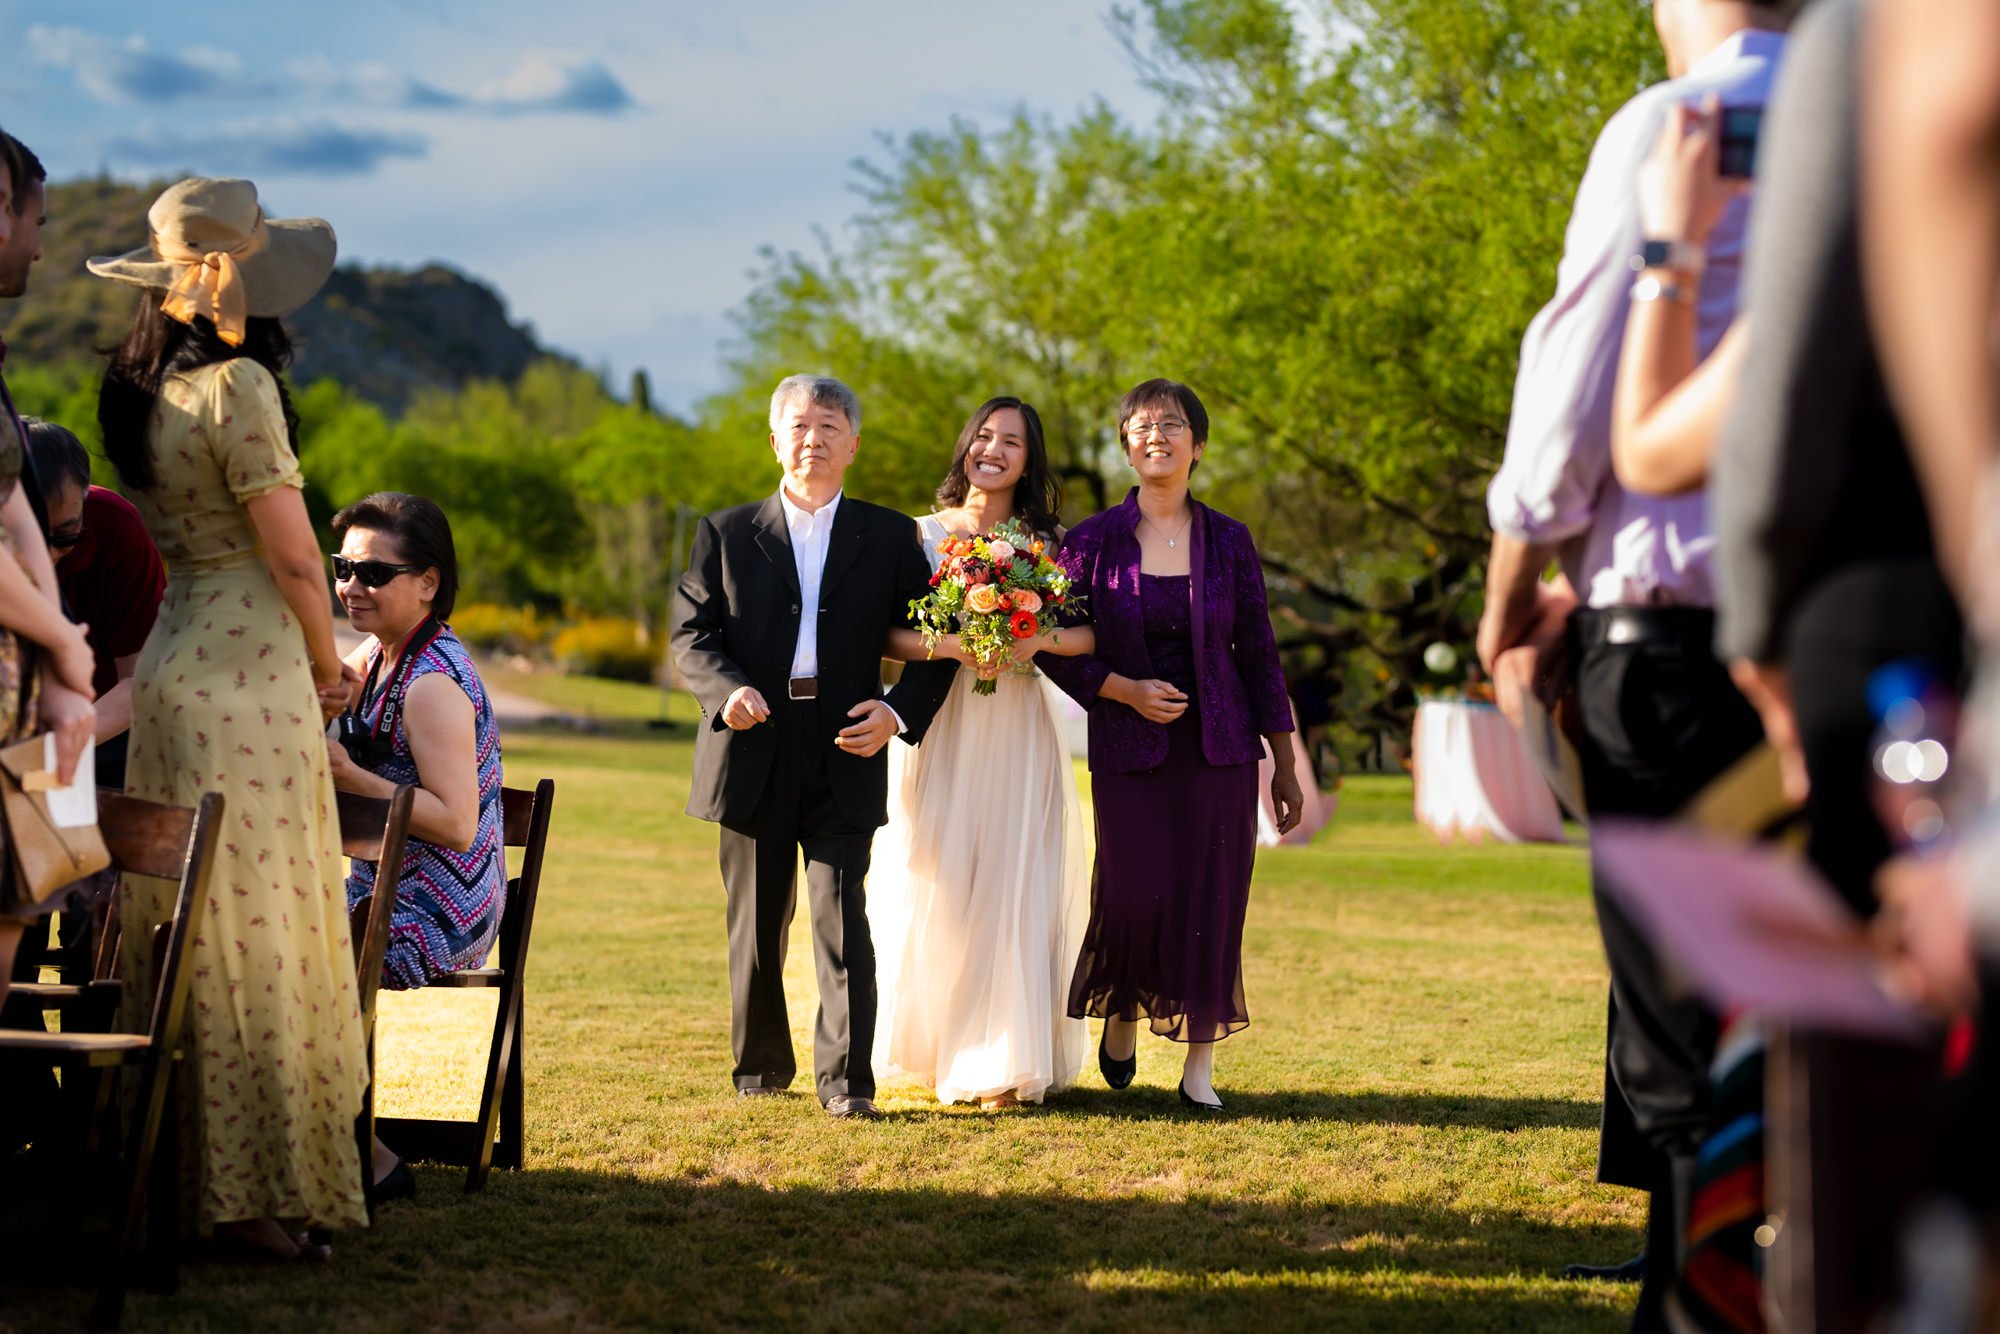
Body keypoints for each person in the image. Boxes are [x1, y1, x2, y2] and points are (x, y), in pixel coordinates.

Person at [1475, 4, 1796, 1323]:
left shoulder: (1673, 127)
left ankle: (1692, 1295)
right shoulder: (1894, 125)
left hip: (1666, 642)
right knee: (1796, 995)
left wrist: (1510, 606)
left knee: (1673, 1024)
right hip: (1837, 637)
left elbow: (1566, 412)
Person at [89, 177, 368, 1260]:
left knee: (182, 931)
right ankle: (250, 1197)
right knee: (258, 936)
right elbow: (299, 556)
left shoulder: (139, 390)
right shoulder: (238, 384)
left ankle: (171, 1170)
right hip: (249, 680)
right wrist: (325, 664)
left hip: (171, 662)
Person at [669, 374, 957, 1120]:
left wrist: (895, 715)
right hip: (752, 741)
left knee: (841, 915)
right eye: (799, 426)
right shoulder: (725, 533)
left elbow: (940, 646)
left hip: (848, 745)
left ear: (852, 445)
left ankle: (847, 1082)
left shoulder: (891, 535)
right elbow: (691, 637)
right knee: (758, 924)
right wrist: (725, 691)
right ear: (775, 440)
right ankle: (762, 1070)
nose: (814, 439)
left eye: (830, 426)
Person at [1031, 378, 1302, 1113]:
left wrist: (1283, 760)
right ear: (1124, 444)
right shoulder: (1090, 542)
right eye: (1142, 425)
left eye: (1173, 424)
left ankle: (1199, 1066)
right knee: (1134, 889)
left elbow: (1260, 653)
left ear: (1199, 446)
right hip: (1127, 745)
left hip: (1221, 747)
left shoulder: (1232, 541)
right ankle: (1121, 1011)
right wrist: (1123, 689)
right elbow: (1047, 645)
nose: (1157, 435)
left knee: (1212, 897)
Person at [870, 396, 1089, 1109]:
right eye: (984, 436)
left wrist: (1032, 640)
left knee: (1012, 878)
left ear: (1030, 461)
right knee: (941, 876)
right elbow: (890, 637)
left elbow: (1086, 635)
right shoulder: (919, 534)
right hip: (943, 720)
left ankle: (1002, 1057)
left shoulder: (1048, 542)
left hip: (1020, 722)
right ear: (966, 445)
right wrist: (960, 644)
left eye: (1012, 442)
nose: (993, 450)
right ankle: (939, 1047)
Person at [325, 491, 505, 1202]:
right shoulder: (372, 656)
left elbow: (458, 822)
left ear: (427, 583)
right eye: (343, 567)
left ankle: (363, 1154)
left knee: (301, 960)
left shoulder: (431, 681)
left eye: (373, 573)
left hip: (441, 908)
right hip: (376, 887)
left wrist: (351, 775)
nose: (350, 585)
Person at [0, 129, 98, 1008]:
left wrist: (59, 660)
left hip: (32, 714)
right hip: (17, 705)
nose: (39, 243)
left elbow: (10, 513)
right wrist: (63, 645)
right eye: (35, 220)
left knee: (32, 897)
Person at [22, 416, 166, 790]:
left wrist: (49, 753)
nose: (49, 554)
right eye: (29, 538)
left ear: (85, 495)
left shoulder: (117, 526)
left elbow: (142, 679)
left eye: (66, 535)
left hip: (110, 727)